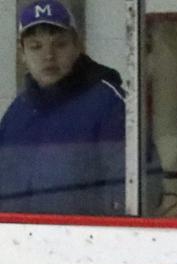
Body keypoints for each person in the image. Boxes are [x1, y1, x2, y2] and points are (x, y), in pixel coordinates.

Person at [0, 0, 162, 215]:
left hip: (85, 236)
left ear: (78, 46)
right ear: (22, 53)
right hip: (18, 236)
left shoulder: (110, 104)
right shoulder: (16, 113)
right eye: (36, 46)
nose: (48, 56)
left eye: (60, 44)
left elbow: (142, 189)